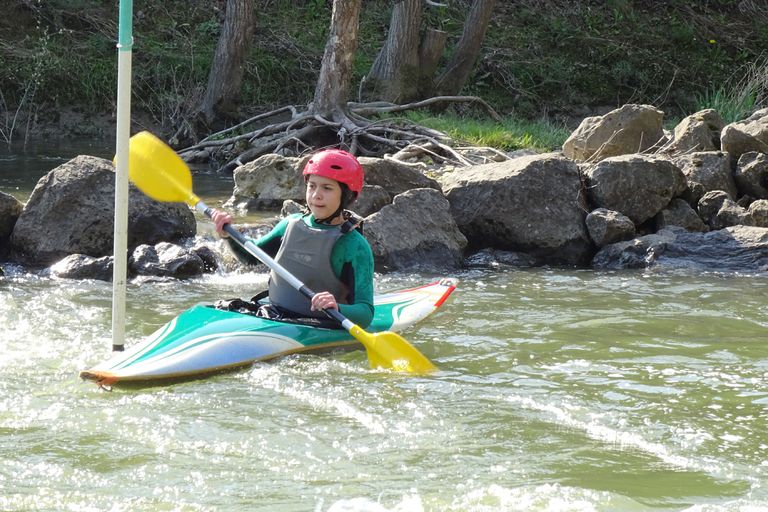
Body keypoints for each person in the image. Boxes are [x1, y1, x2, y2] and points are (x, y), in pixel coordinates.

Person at [210, 149, 375, 328]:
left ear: (347, 195)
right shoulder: (291, 224)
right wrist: (228, 236)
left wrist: (338, 308)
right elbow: (250, 258)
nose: (316, 195)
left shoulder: (354, 245)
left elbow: (366, 313)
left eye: (327, 188)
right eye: (312, 186)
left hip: (322, 324)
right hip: (275, 315)